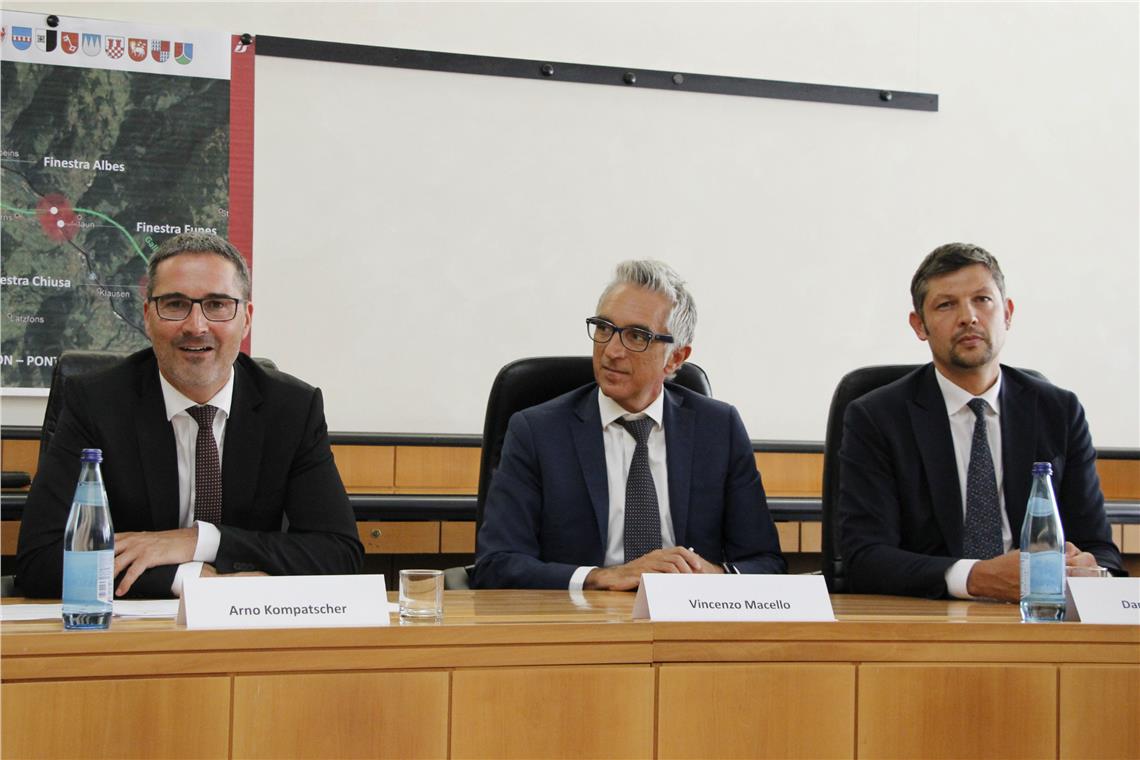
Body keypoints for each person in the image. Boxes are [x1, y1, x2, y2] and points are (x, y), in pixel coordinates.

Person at [16, 232, 363, 598]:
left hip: (248, 622)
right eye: (175, 304)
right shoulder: (95, 404)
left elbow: (339, 554)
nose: (196, 326)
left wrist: (199, 541)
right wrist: (191, 579)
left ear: (246, 319)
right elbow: (41, 560)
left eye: (217, 304)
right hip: (134, 625)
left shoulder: (293, 409)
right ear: (147, 317)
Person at [472, 260, 785, 590]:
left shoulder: (719, 429)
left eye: (637, 336)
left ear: (676, 358)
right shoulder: (537, 432)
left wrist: (711, 577)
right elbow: (497, 564)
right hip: (580, 615)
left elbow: (766, 562)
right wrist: (602, 577)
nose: (612, 351)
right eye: (604, 328)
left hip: (683, 615)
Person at [838, 242, 1124, 600]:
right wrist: (975, 577)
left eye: (983, 300)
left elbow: (1100, 549)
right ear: (919, 325)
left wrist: (1090, 571)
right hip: (927, 616)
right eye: (946, 304)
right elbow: (865, 558)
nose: (968, 317)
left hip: (1039, 612)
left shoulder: (1059, 412)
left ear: (1007, 313)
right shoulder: (877, 417)